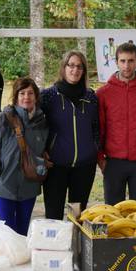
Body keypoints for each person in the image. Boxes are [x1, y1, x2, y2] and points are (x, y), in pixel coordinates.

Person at [97, 42, 136, 205]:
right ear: (116, 62)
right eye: (123, 61)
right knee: (113, 211)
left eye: (131, 61)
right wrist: (100, 157)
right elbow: (100, 128)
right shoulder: (103, 93)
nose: (126, 66)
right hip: (113, 162)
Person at [40, 51, 99, 219]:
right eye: (71, 65)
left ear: (84, 70)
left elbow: (96, 127)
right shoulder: (48, 96)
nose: (75, 70)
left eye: (79, 66)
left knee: (77, 217)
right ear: (63, 67)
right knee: (53, 216)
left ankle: (75, 238)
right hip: (55, 166)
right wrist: (41, 151)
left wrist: (95, 148)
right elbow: (36, 126)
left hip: (84, 167)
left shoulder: (91, 97)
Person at [0, 77, 48, 235]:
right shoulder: (1, 120)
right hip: (5, 186)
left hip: (30, 186)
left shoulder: (42, 122)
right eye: (22, 93)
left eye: (30, 93)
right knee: (7, 232)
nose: (26, 97)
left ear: (36, 96)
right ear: (15, 96)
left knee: (22, 231)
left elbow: (44, 148)